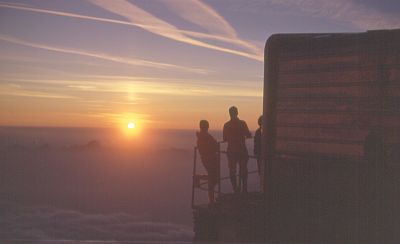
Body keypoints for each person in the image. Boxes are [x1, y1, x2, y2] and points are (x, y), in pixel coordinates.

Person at [223, 106, 251, 193]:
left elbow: (224, 139)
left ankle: (235, 189)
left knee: (232, 170)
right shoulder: (242, 123)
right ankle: (244, 189)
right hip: (242, 150)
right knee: (243, 169)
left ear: (229, 114)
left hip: (231, 151)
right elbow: (248, 134)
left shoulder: (226, 125)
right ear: (237, 113)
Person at [196, 120, 219, 204]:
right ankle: (211, 200)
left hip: (206, 159)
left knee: (213, 177)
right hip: (210, 159)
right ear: (206, 127)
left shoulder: (200, 137)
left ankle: (211, 200)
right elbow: (215, 146)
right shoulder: (206, 137)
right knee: (213, 178)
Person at [254, 115, 263, 191]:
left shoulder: (257, 132)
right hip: (261, 154)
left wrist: (255, 152)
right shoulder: (258, 132)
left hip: (260, 154)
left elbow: (256, 143)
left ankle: (262, 188)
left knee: (261, 170)